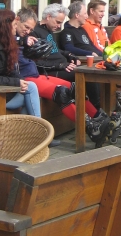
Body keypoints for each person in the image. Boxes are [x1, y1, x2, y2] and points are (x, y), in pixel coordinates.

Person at [14, 8, 115, 145]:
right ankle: (89, 127)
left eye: (30, 29)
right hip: (25, 78)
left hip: (35, 74)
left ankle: (98, 118)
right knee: (62, 92)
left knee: (73, 88)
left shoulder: (24, 37)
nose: (28, 31)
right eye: (26, 27)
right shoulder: (12, 38)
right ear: (17, 21)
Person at [0, 8, 42, 118]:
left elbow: (10, 69)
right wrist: (17, 82)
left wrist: (21, 80)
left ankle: (31, 127)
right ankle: (38, 125)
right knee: (31, 90)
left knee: (30, 92)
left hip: (3, 90)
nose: (16, 26)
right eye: (14, 24)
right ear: (5, 27)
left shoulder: (3, 41)